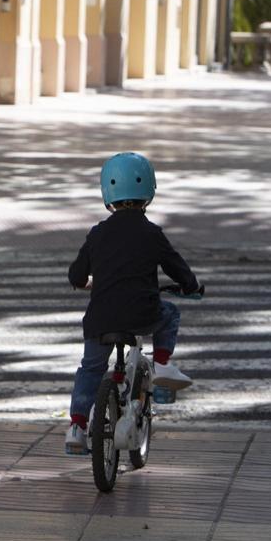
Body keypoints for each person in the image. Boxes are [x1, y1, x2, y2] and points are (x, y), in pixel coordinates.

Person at [64, 152, 202, 455]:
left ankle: (76, 425)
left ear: (107, 192)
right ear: (148, 190)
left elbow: (76, 274)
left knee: (90, 368)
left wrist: (83, 282)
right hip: (143, 314)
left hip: (100, 320)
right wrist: (191, 287)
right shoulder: (152, 234)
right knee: (171, 312)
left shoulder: (97, 234)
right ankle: (162, 363)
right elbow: (178, 268)